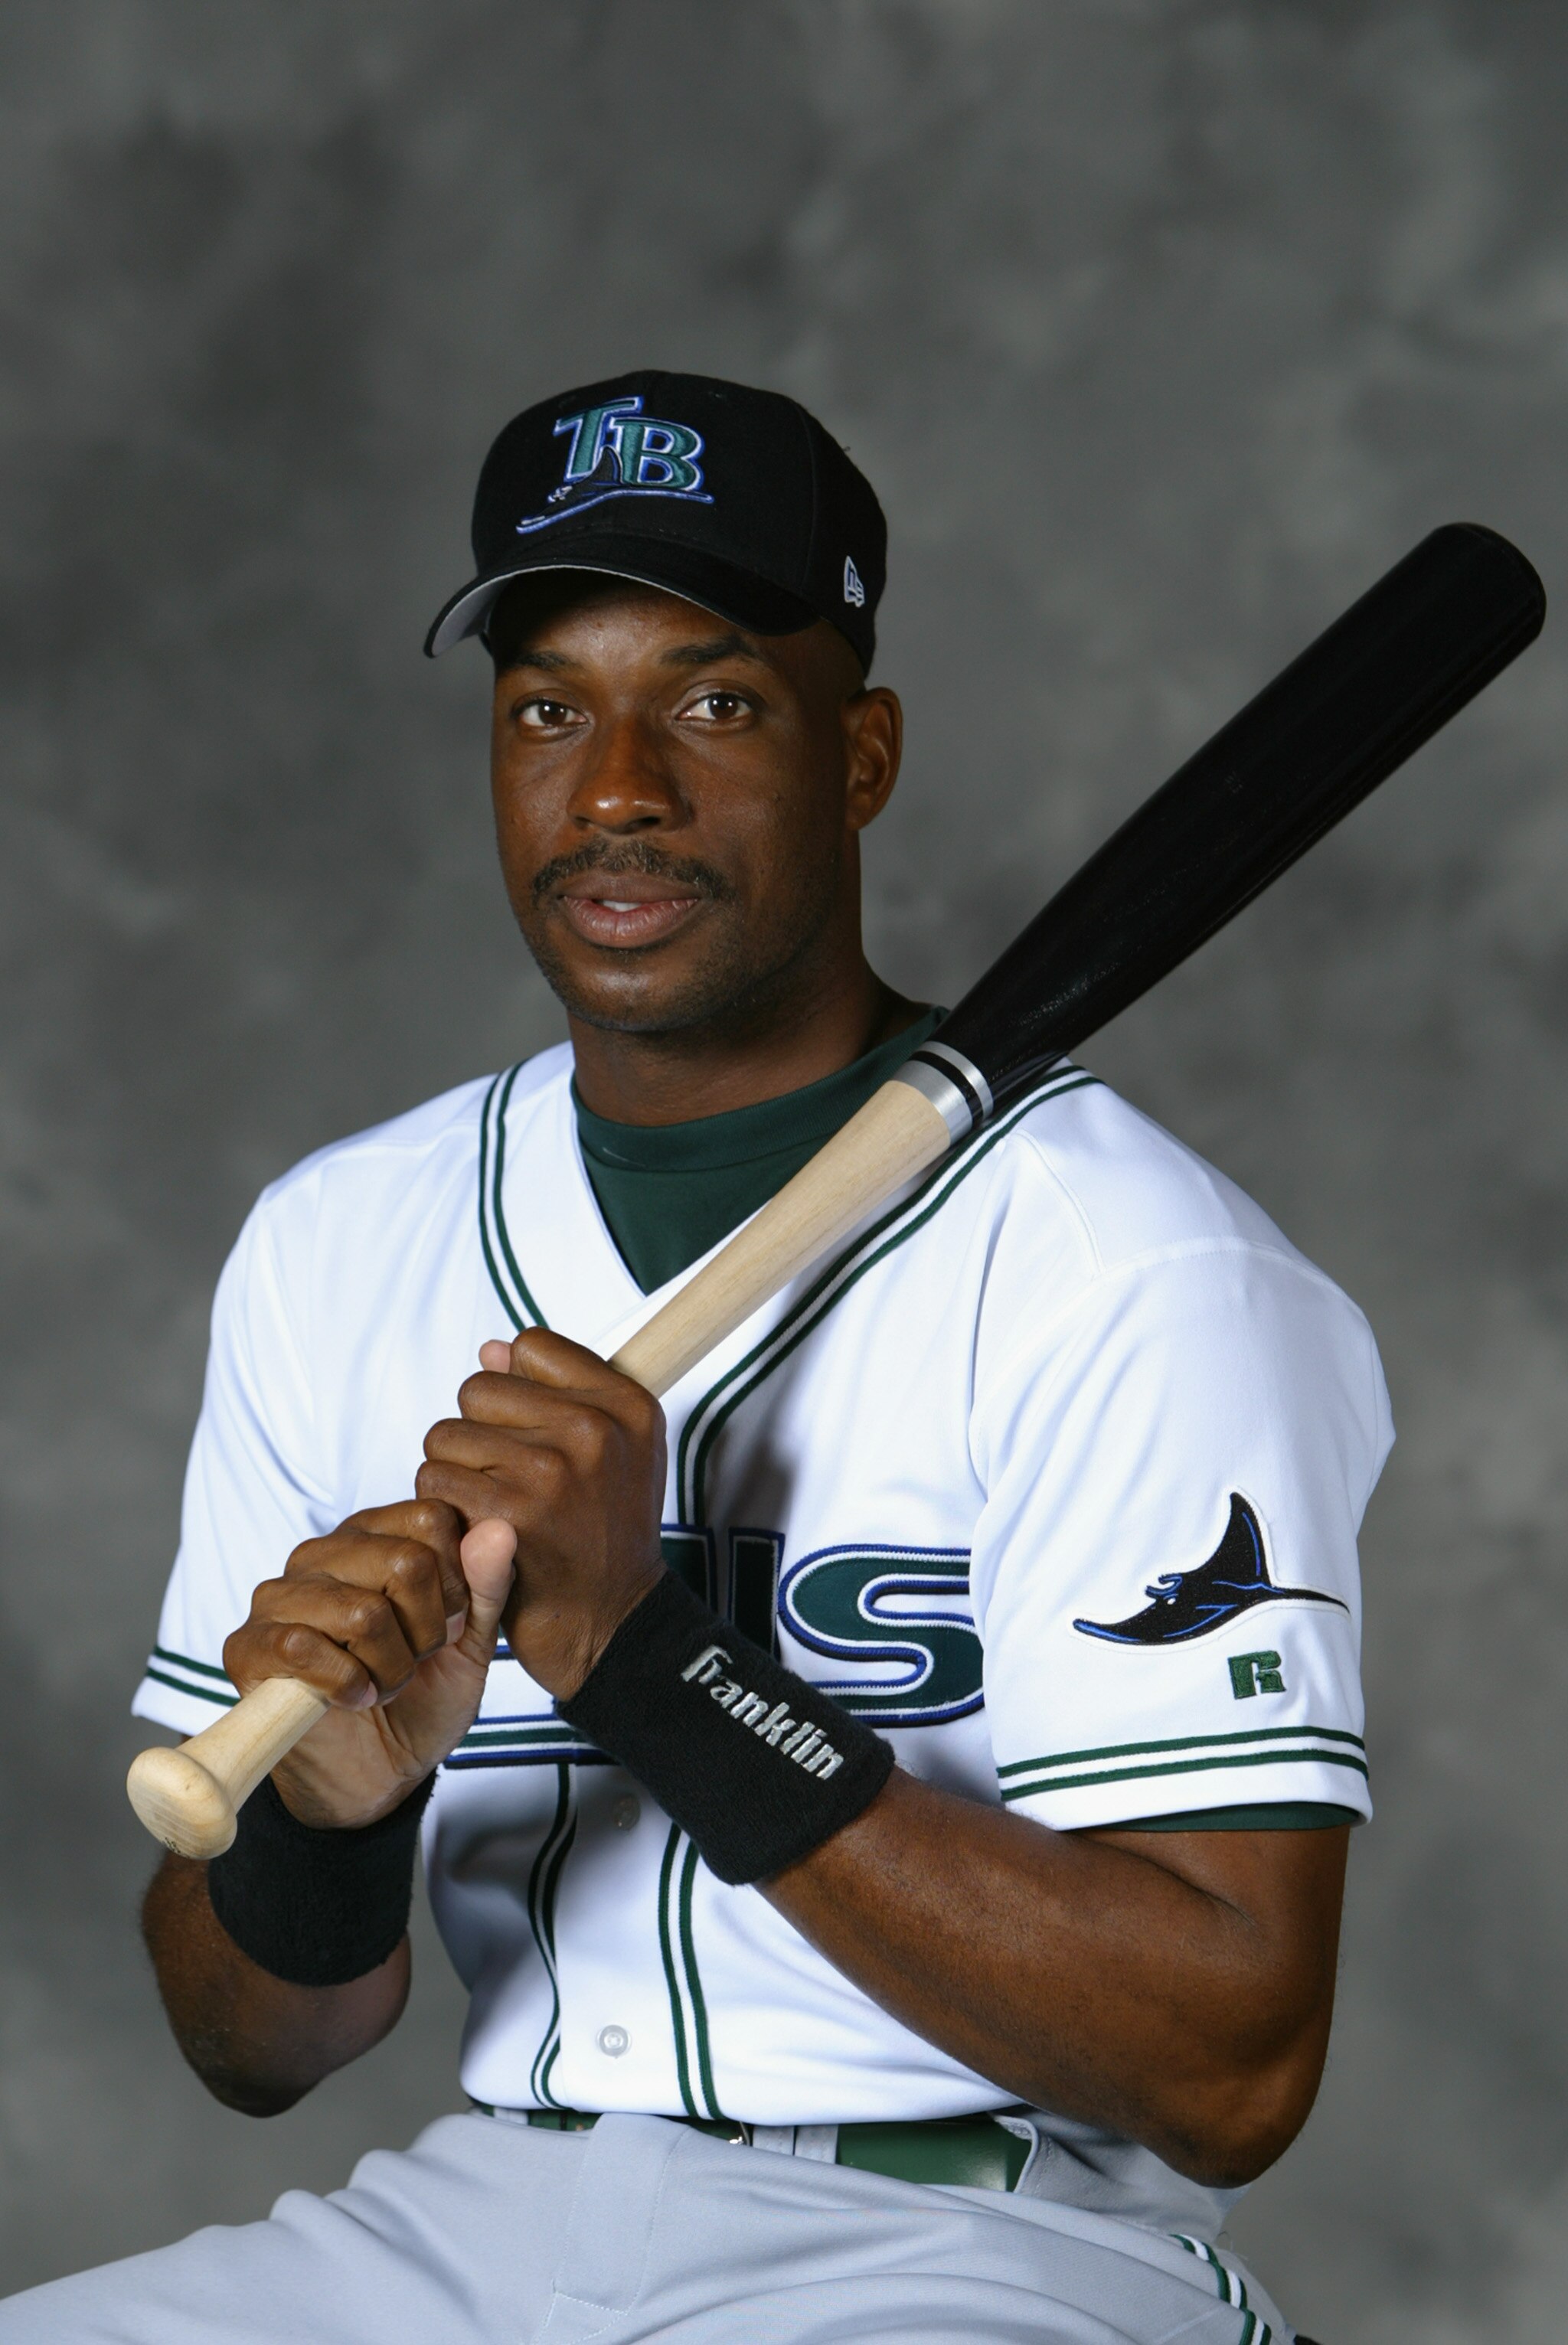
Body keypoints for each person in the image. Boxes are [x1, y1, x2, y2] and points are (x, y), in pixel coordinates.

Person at [5, 371, 1383, 2343]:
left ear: (864, 752)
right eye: (551, 708)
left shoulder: (1127, 1266)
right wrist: (336, 1818)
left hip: (980, 2250)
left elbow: (1233, 2073)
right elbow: (253, 2047)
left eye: (717, 700)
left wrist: (647, 1661)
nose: (619, 785)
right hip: (482, 2215)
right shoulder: (340, 1238)